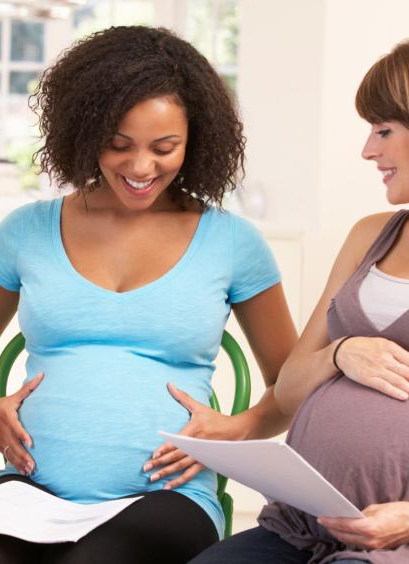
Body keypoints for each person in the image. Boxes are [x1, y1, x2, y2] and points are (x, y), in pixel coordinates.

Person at [0, 25, 298, 564]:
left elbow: (291, 385)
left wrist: (237, 428)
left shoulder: (232, 242)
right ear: (85, 134)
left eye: (164, 148)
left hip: (166, 498)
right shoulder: (26, 231)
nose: (140, 168)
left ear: (196, 139)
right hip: (30, 491)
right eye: (118, 145)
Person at [189, 39, 409, 564]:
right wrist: (340, 353)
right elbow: (287, 389)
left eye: (384, 131)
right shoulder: (370, 235)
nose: (367, 151)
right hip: (296, 527)